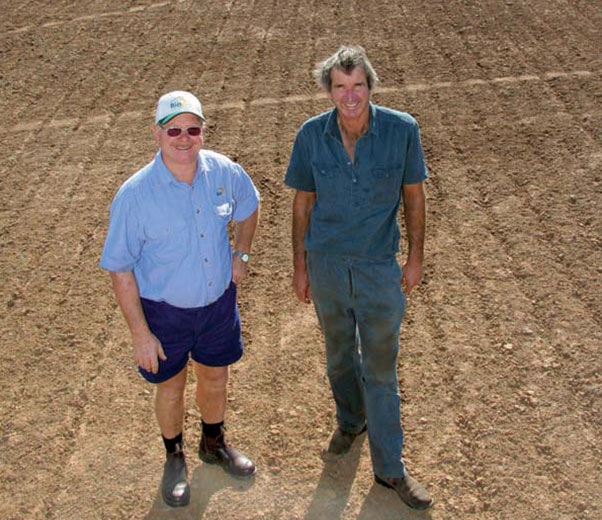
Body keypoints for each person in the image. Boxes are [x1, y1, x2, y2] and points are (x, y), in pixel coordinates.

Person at [284, 46, 433, 510]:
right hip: (326, 263)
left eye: (358, 86)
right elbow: (302, 203)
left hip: (376, 267)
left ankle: (391, 469)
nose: (350, 97)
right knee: (338, 354)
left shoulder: (401, 130)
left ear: (370, 87)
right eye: (340, 87)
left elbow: (413, 197)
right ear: (329, 91)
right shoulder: (311, 135)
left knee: (381, 368)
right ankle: (351, 420)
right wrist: (300, 266)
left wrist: (415, 258)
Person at [100, 91, 259, 508]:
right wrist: (141, 334)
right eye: (174, 129)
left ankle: (214, 442)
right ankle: (174, 457)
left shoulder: (223, 172)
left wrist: (240, 253)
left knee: (215, 377)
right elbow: (120, 268)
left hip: (217, 306)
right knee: (171, 387)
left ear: (203, 131)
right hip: (165, 314)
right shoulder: (135, 195)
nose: (184, 138)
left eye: (193, 128)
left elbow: (250, 205)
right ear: (157, 133)